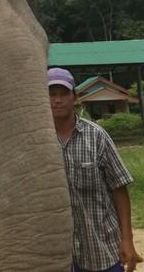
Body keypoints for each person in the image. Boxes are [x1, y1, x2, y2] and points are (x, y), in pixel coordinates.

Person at [47, 67, 142, 272]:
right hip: (58, 252)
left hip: (100, 247)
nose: (58, 100)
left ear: (75, 97)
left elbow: (119, 188)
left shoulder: (97, 137)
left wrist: (127, 240)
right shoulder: (37, 142)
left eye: (63, 93)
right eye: (52, 94)